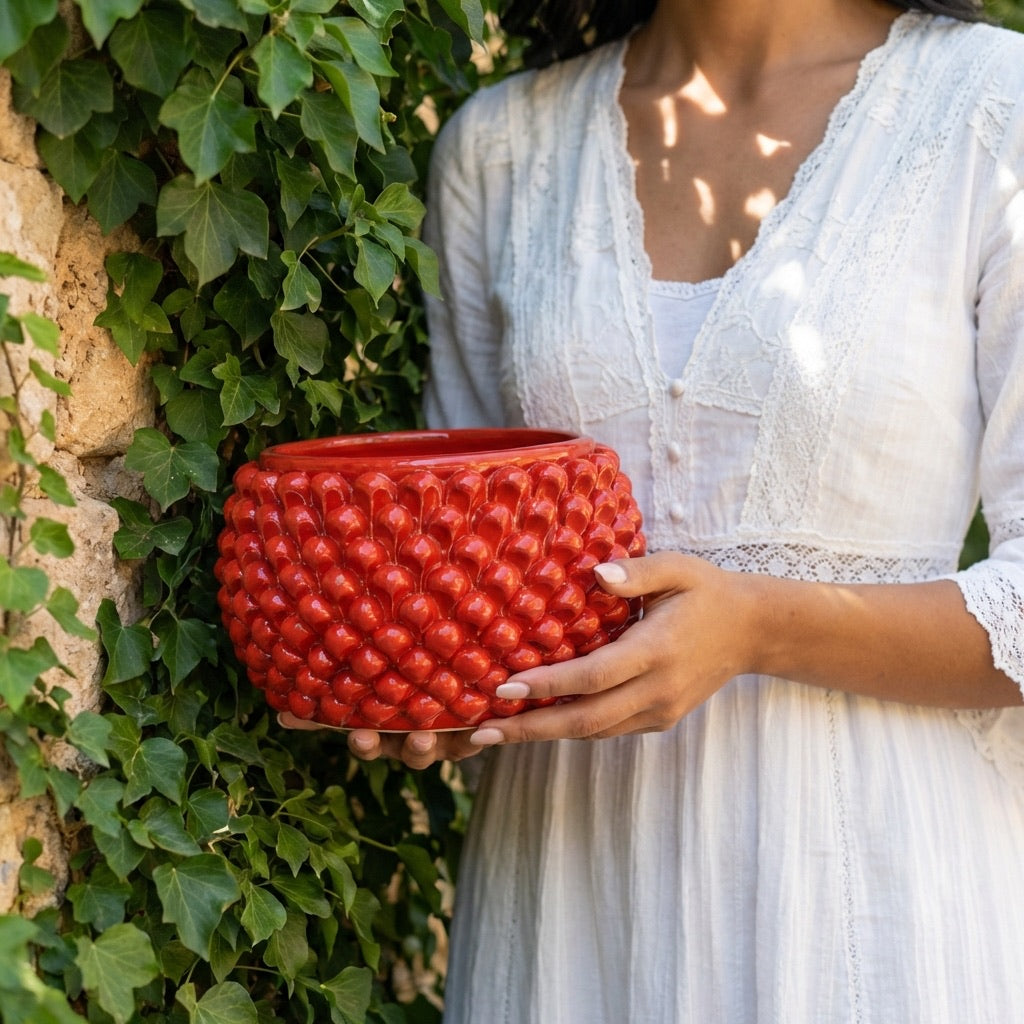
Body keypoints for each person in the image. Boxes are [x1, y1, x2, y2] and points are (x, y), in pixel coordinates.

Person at [285, 0, 1024, 1018]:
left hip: (872, 891)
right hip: (566, 899)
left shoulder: (997, 107)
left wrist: (759, 625)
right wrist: (436, 686)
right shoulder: (501, 148)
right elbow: (459, 544)